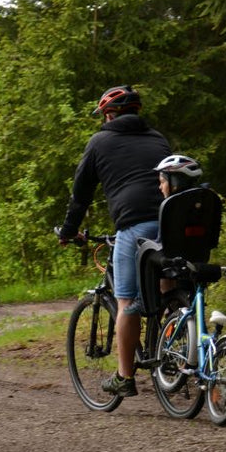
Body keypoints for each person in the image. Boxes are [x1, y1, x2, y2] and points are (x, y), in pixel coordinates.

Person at [57, 85, 170, 398]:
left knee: (127, 302)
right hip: (172, 221)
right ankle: (176, 341)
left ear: (109, 114)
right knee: (167, 287)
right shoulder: (158, 138)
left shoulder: (100, 141)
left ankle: (124, 376)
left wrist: (68, 231)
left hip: (134, 227)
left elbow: (80, 196)